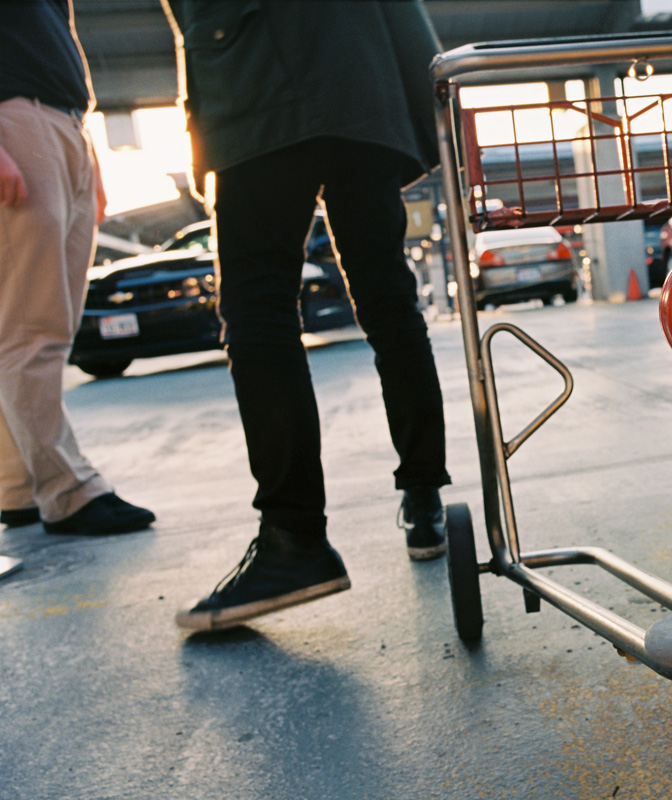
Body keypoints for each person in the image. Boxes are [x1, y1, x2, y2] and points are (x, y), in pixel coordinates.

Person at [164, 0, 451, 631]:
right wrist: (423, 89)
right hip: (365, 88)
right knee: (388, 300)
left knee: (259, 307)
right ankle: (425, 497)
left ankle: (294, 538)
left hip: (258, 76)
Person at [0, 1, 156, 537]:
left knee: (45, 325)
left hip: (64, 123)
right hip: (14, 117)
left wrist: (87, 153)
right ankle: (69, 492)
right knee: (30, 328)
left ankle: (17, 486)